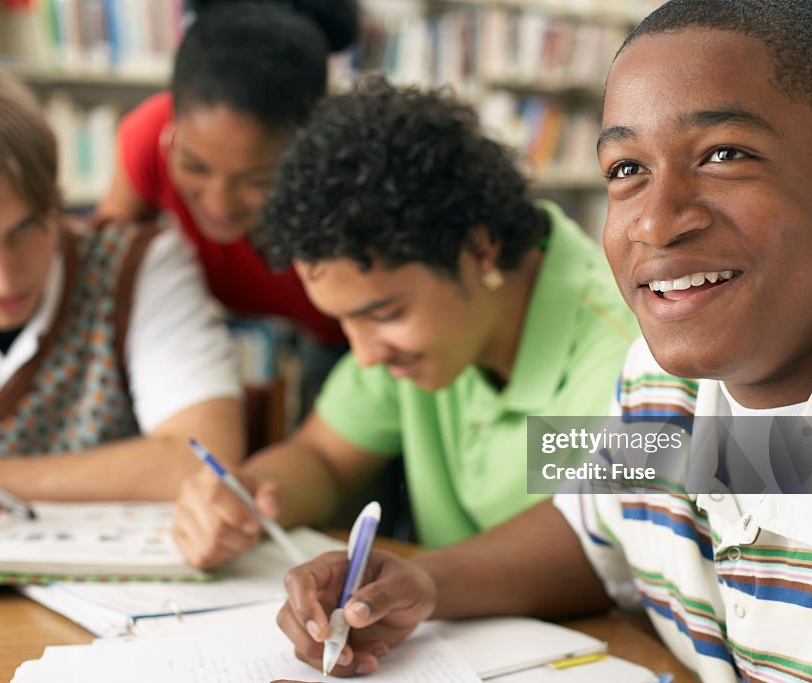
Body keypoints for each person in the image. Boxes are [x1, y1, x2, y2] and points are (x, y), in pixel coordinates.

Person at [271, 1, 812, 680]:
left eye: (724, 154)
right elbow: (604, 525)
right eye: (625, 168)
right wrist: (425, 581)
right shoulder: (667, 372)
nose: (654, 220)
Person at [171, 77, 638, 567]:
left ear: (479, 250)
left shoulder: (631, 354)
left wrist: (424, 583)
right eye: (344, 322)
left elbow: (601, 552)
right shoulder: (427, 334)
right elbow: (325, 459)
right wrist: (247, 495)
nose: (367, 354)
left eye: (384, 315)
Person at [0, 60, 244, 541]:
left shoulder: (137, 266)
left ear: (57, 201)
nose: (4, 279)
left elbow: (205, 459)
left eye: (25, 228)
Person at [96, 0, 357, 348]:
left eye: (256, 180)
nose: (219, 204)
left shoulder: (347, 184)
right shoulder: (151, 136)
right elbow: (103, 275)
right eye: (194, 166)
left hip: (349, 338)